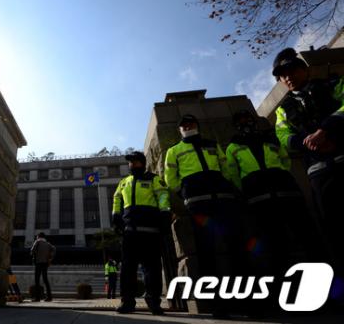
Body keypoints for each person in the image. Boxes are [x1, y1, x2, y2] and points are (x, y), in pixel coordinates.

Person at [226, 110, 323, 308]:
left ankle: (325, 291)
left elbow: (285, 161)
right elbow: (233, 173)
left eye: (248, 119)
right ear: (236, 125)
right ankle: (287, 297)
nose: (246, 123)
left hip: (288, 194)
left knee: (310, 240)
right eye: (241, 121)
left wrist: (279, 177)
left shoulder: (271, 139)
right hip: (260, 200)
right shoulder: (233, 146)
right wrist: (249, 188)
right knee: (277, 248)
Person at [272, 47, 344, 276]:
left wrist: (326, 129)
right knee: (334, 229)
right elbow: (283, 137)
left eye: (291, 70)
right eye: (282, 75)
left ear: (304, 69)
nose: (287, 77)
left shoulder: (332, 85)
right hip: (320, 174)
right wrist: (308, 141)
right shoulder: (284, 109)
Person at [164, 114, 242, 317]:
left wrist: (228, 185)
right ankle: (217, 304)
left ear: (197, 125)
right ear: (179, 129)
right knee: (206, 251)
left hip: (223, 199)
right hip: (197, 203)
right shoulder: (174, 151)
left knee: (235, 246)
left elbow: (226, 167)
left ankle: (243, 299)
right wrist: (183, 191)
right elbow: (170, 178)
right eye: (183, 125)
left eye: (190, 123)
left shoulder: (212, 144)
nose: (187, 126)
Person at [112, 151, 171, 315]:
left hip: (151, 232)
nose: (133, 164)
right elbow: (117, 198)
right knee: (127, 270)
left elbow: (163, 195)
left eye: (136, 161)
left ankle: (154, 302)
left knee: (152, 269)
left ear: (143, 163)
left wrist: (165, 214)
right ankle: (127, 302)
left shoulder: (154, 179)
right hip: (130, 233)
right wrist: (115, 216)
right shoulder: (124, 182)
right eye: (130, 162)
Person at [30, 232, 56, 302]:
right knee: (45, 280)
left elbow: (32, 251)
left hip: (38, 263)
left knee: (37, 280)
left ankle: (37, 298)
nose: (36, 237)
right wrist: (50, 258)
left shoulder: (37, 242)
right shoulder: (48, 244)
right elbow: (54, 249)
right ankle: (49, 297)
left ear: (38, 236)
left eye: (37, 236)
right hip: (45, 263)